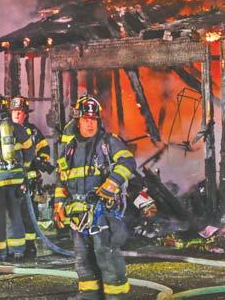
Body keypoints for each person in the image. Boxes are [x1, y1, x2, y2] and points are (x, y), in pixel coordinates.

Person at [54, 95, 136, 300]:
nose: (90, 124)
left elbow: (127, 162)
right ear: (77, 121)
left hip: (102, 212)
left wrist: (112, 182)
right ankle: (89, 295)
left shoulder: (108, 142)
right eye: (85, 119)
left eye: (93, 119)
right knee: (82, 260)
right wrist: (58, 205)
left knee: (106, 255)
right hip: (77, 214)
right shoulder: (69, 148)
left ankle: (117, 297)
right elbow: (62, 180)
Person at [0, 94, 33, 262]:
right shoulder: (18, 128)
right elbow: (29, 151)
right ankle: (18, 251)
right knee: (15, 214)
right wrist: (24, 168)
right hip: (16, 179)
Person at [10, 95, 54, 259]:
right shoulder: (5, 130)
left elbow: (44, 149)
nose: (17, 114)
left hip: (30, 182)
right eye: (14, 111)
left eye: (20, 111)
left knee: (30, 216)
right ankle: (13, 249)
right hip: (11, 182)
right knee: (12, 217)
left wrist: (41, 160)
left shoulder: (33, 131)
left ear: (25, 114)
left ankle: (30, 247)